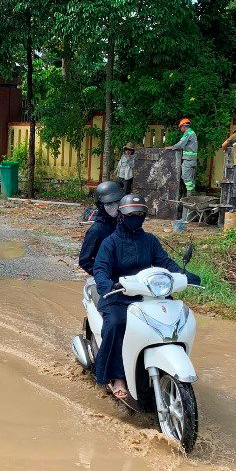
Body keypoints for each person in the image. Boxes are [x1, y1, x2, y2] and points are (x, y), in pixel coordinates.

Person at [91, 194, 201, 399]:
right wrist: (109, 285)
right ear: (122, 216)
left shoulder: (149, 240)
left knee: (171, 319)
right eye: (131, 214)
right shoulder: (110, 243)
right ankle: (117, 376)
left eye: (140, 214)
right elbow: (100, 270)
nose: (136, 217)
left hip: (148, 295)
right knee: (117, 324)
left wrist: (183, 275)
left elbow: (165, 263)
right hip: (118, 295)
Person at [79, 180, 123, 275]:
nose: (114, 207)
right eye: (109, 204)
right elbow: (84, 260)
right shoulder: (96, 231)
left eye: (117, 202)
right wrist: (103, 275)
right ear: (100, 205)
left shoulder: (123, 224)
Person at [166, 118, 198, 194]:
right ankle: (192, 196)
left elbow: (181, 144)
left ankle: (189, 196)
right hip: (192, 160)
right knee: (191, 178)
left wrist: (172, 147)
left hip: (188, 160)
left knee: (186, 177)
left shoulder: (188, 133)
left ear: (183, 126)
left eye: (180, 127)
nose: (180, 129)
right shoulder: (192, 133)